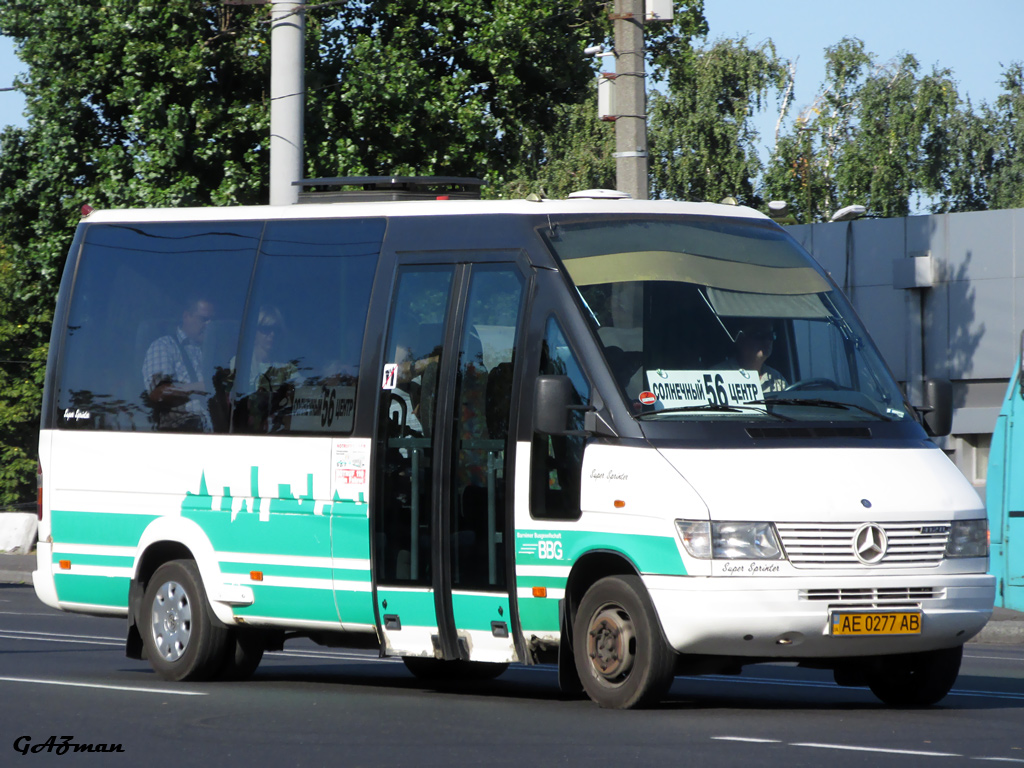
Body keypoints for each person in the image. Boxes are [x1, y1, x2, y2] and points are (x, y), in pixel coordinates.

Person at [142, 296, 215, 431]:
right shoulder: (164, 346)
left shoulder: (214, 350)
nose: (209, 325)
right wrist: (199, 387)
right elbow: (158, 392)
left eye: (212, 320)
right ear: (186, 316)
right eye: (203, 319)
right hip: (181, 430)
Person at [718, 318, 788, 393]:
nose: (767, 341)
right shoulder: (719, 375)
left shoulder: (777, 379)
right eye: (759, 335)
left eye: (770, 335)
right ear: (740, 339)